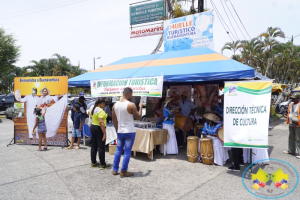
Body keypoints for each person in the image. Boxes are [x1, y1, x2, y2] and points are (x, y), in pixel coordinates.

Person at [111, 87, 143, 178]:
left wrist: (117, 130)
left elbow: (114, 120)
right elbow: (139, 117)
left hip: (120, 131)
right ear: (129, 94)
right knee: (127, 151)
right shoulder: (131, 105)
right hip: (129, 131)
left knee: (118, 150)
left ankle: (114, 169)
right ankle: (123, 171)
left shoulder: (115, 105)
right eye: (131, 95)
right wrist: (140, 107)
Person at [90, 98, 111, 169]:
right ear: (101, 103)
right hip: (99, 128)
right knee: (101, 146)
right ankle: (102, 164)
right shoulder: (100, 111)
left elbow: (89, 114)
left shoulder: (92, 107)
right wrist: (104, 133)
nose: (104, 105)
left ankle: (93, 162)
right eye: (104, 103)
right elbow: (101, 122)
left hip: (92, 126)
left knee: (94, 145)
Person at [283, 93, 300, 159]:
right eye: (292, 97)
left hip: (298, 124)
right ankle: (291, 150)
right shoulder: (291, 104)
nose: (292, 99)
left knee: (298, 138)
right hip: (291, 123)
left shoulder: (299, 105)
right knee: (291, 137)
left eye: (294, 98)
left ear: (298, 98)